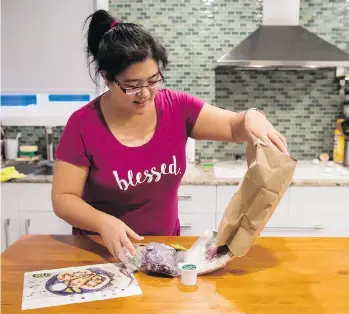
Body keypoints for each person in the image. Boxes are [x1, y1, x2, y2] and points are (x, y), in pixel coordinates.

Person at [52, 10, 288, 259]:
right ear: (107, 78)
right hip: (101, 252)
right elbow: (64, 198)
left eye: (153, 80)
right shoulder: (83, 124)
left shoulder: (177, 108)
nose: (145, 93)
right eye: (132, 86)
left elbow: (233, 126)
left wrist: (252, 116)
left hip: (164, 252)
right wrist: (102, 222)